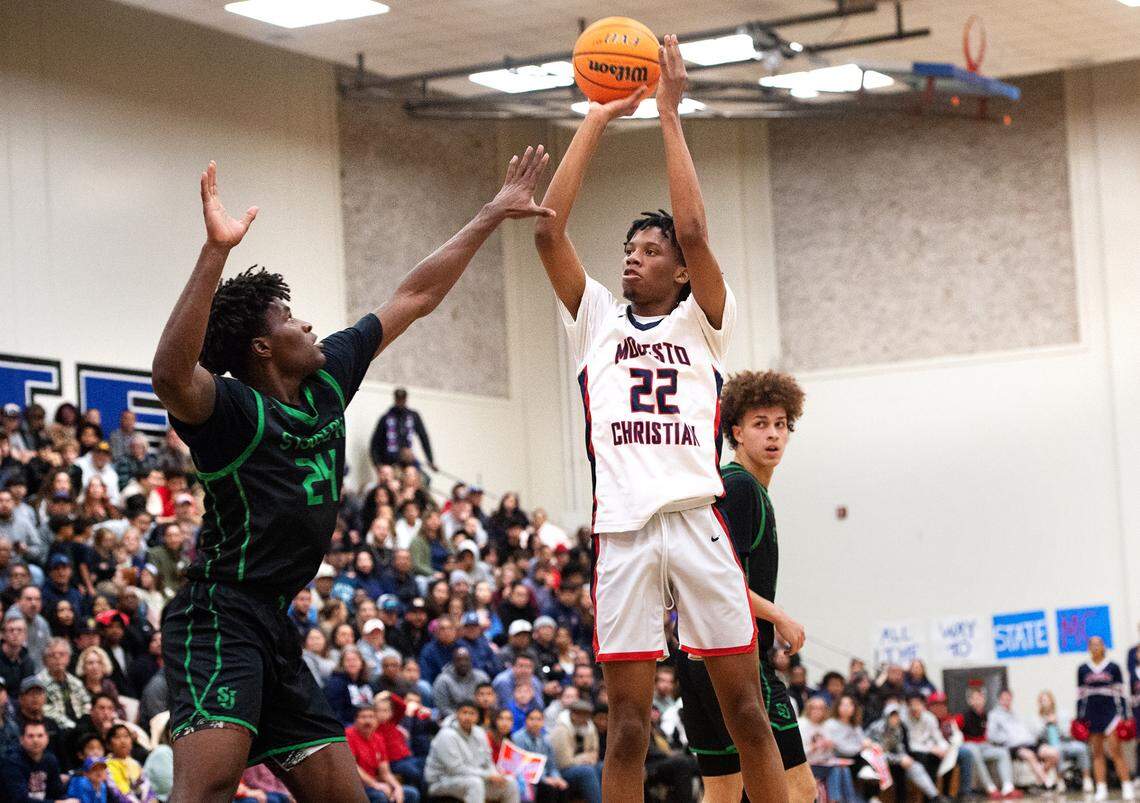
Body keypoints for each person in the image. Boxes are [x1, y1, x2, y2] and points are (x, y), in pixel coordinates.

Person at [150, 148, 553, 803]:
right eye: (288, 317)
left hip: (277, 622)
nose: (307, 321)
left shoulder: (327, 375)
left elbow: (415, 296)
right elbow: (170, 374)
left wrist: (488, 214)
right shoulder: (232, 410)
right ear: (261, 346)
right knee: (209, 785)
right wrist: (214, 254)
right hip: (219, 615)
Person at [532, 35, 785, 802]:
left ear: (679, 271)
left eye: (651, 249)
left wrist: (669, 115)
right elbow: (547, 229)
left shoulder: (702, 324)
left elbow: (698, 232)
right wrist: (597, 118)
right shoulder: (595, 320)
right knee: (630, 727)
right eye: (629, 247)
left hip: (696, 521)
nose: (633, 258)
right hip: (624, 532)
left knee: (747, 709)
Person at [676, 370, 812, 803]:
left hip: (696, 658)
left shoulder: (733, 487)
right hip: (737, 659)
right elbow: (716, 580)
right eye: (760, 424)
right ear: (736, 432)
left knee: (723, 793)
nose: (773, 434)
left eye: (780, 424)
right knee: (798, 789)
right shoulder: (740, 488)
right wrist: (780, 617)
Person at [425, 700, 519, 803]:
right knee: (475, 783)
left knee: (510, 783)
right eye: (464, 712)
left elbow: (488, 761)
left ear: (477, 717)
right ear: (457, 714)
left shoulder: (479, 733)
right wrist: (488, 775)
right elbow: (456, 769)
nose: (468, 717)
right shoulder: (446, 735)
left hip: (473, 778)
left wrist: (495, 775)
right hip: (442, 781)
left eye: (472, 713)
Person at [1078, 636, 1134, 801]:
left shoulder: (1113, 667)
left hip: (1110, 714)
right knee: (1097, 753)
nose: (1095, 647)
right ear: (1089, 647)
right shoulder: (1083, 669)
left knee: (1116, 752)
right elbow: (1079, 696)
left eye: (1098, 644)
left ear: (1103, 647)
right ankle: (1101, 787)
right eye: (1092, 645)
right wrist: (1080, 718)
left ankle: (1126, 785)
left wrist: (1123, 715)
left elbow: (1121, 693)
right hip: (1092, 715)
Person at [346, 703, 421, 803]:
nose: (368, 721)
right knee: (380, 796)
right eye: (363, 717)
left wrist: (397, 787)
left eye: (371, 717)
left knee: (412, 793)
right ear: (355, 720)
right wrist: (376, 785)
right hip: (357, 787)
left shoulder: (378, 738)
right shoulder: (348, 736)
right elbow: (353, 767)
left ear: (376, 720)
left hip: (375, 784)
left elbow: (385, 772)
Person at [960, 687, 1019, 799]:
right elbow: (953, 730)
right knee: (974, 749)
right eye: (975, 698)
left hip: (984, 747)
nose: (978, 701)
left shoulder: (988, 716)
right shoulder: (963, 716)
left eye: (980, 698)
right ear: (970, 701)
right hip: (969, 747)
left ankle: (1008, 787)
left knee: (1002, 752)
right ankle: (990, 788)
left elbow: (990, 735)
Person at [986, 689, 1052, 789]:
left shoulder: (1016, 713)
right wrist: (1006, 739)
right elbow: (991, 735)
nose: (1006, 701)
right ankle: (1047, 783)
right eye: (1004, 699)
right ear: (999, 700)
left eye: (1008, 699)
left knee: (1053, 753)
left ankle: (1039, 780)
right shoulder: (994, 715)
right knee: (1030, 755)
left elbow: (1025, 730)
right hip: (1013, 746)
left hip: (1028, 742)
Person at [1035, 689, 1092, 794]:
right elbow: (1037, 736)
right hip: (1050, 746)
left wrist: (1057, 723)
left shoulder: (1062, 714)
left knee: (1082, 748)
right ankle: (1060, 780)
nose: (1044, 702)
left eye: (1046, 700)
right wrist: (1046, 724)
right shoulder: (1038, 719)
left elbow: (1068, 733)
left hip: (1066, 742)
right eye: (1042, 701)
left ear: (1052, 701)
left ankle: (1086, 779)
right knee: (1057, 751)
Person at [0, 720, 72, 802]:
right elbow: (19, 800)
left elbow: (58, 793)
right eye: (30, 736)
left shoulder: (50, 760)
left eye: (40, 736)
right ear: (22, 740)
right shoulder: (11, 762)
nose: (35, 740)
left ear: (47, 738)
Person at [549, 699, 603, 803]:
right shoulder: (561, 730)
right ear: (573, 714)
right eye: (582, 715)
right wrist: (584, 758)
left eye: (587, 715)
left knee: (602, 767)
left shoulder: (590, 727)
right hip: (563, 771)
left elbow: (595, 752)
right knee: (587, 771)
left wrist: (589, 758)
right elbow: (563, 762)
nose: (586, 719)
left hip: (583, 765)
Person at [369, 390, 435, 471]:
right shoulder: (386, 418)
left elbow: (424, 438)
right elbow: (375, 443)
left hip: (408, 461)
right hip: (390, 460)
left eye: (402, 399)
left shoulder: (413, 416)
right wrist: (377, 464)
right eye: (398, 399)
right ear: (395, 399)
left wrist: (430, 460)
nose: (400, 401)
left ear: (406, 399)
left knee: (425, 479)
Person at [432, 646, 489, 719]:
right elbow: (443, 708)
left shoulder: (482, 677)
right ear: (453, 662)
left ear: (471, 661)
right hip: (452, 719)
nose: (463, 663)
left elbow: (490, 700)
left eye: (466, 660)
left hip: (479, 718)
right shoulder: (443, 680)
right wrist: (464, 718)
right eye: (459, 660)